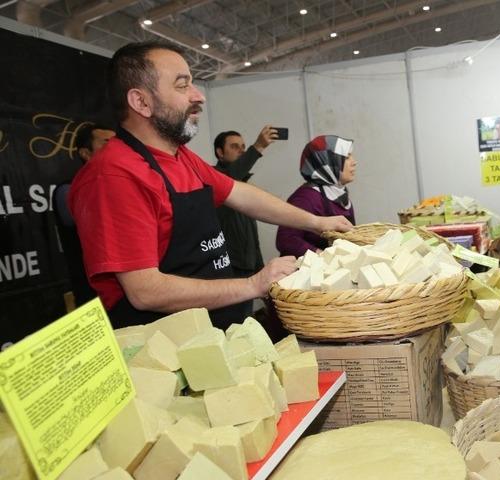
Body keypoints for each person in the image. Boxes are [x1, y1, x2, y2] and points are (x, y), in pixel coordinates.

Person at [68, 41, 352, 329]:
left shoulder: (181, 157)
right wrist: (253, 284)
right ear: (141, 102)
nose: (198, 96)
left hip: (216, 327)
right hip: (169, 342)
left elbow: (241, 194)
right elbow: (145, 291)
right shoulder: (113, 175)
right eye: (182, 86)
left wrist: (317, 222)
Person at [213, 126, 279, 317]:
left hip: (247, 270)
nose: (241, 150)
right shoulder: (215, 180)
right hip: (226, 273)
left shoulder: (243, 185)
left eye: (243, 147)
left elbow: (251, 236)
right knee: (230, 323)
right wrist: (257, 147)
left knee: (244, 323)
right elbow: (229, 178)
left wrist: (260, 270)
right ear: (220, 152)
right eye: (234, 147)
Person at [54, 124, 115, 306]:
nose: (115, 148)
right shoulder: (68, 190)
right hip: (92, 295)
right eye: (107, 143)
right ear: (85, 153)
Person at [276, 135, 357, 257]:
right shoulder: (306, 198)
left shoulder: (340, 194)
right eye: (347, 157)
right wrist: (322, 256)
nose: (354, 162)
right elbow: (286, 240)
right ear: (328, 161)